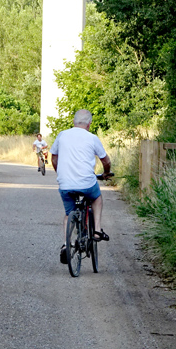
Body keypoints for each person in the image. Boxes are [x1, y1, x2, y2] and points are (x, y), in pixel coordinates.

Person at [50, 109, 111, 263]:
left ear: (74, 122)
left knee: (68, 213)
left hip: (65, 183)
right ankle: (97, 230)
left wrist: (61, 174)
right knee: (97, 198)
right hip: (86, 183)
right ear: (89, 124)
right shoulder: (92, 138)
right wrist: (106, 173)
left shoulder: (62, 135)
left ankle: (66, 245)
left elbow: (54, 158)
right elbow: (106, 161)